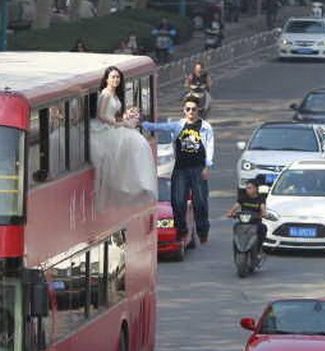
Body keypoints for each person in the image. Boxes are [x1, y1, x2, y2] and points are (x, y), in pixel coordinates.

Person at [142, 99, 214, 244]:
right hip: (181, 169)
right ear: (184, 110)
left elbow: (209, 146)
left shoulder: (205, 127)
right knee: (178, 201)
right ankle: (181, 230)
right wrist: (142, 123)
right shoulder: (178, 126)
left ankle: (203, 231)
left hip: (198, 168)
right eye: (188, 109)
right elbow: (159, 127)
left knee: (200, 201)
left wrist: (207, 166)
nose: (191, 112)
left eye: (193, 109)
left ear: (198, 110)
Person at [90, 66, 157, 209]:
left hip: (113, 124)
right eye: (113, 77)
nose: (116, 80)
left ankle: (138, 183)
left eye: (118, 77)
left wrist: (124, 119)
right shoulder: (106, 94)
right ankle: (130, 184)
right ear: (107, 79)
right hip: (105, 128)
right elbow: (101, 115)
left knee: (138, 143)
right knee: (134, 141)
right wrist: (120, 123)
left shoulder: (114, 94)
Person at [226, 179, 267, 249]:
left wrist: (264, 214)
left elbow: (263, 208)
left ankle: (259, 248)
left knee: (263, 228)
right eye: (247, 188)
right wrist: (231, 213)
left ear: (256, 189)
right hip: (243, 222)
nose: (247, 190)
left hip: (255, 222)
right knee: (236, 226)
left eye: (250, 188)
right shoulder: (243, 197)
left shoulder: (260, 198)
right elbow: (236, 205)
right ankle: (237, 246)